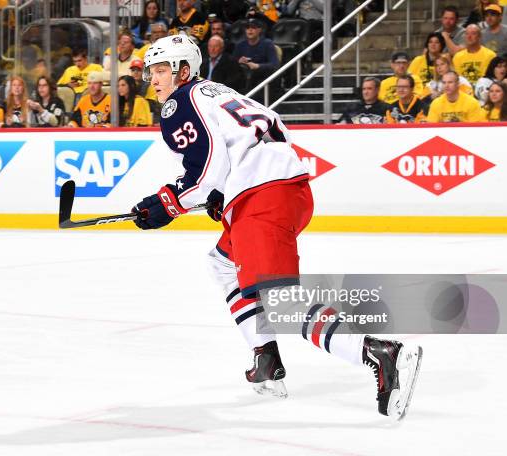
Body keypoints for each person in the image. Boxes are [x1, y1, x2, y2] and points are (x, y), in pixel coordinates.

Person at [132, 33, 422, 419]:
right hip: (285, 190)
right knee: (220, 263)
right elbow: (264, 132)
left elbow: (207, 165)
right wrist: (223, 192)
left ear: (184, 69)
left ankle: (378, 353)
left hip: (263, 197)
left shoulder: (179, 102)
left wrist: (169, 202)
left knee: (283, 302)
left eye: (162, 69)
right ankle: (265, 357)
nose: (155, 78)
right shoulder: (218, 91)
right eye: (151, 70)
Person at [232, 17, 279, 94]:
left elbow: (275, 64)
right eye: (247, 27)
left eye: (253, 27)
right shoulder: (240, 45)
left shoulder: (267, 44)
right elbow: (230, 63)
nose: (250, 30)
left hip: (263, 81)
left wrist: (258, 66)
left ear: (259, 30)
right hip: (244, 80)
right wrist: (238, 61)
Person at [129, 58, 160, 123]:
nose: (135, 72)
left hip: (151, 117)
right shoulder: (128, 84)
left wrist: (138, 99)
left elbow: (152, 106)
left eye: (139, 70)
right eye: (133, 70)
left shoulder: (150, 85)